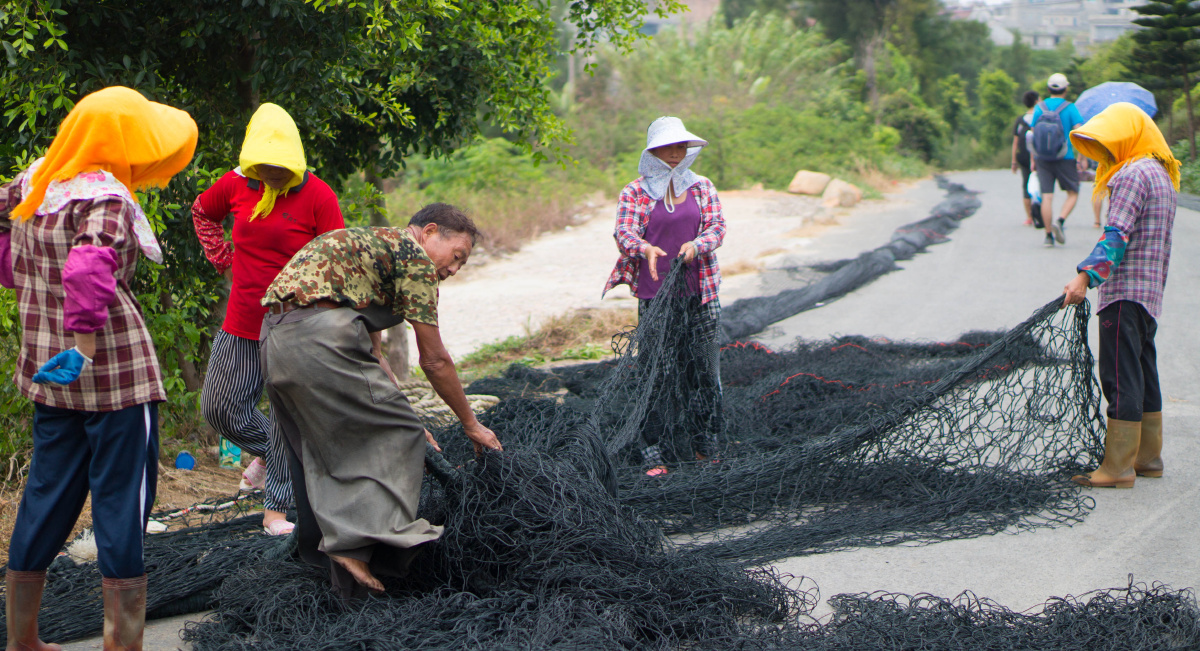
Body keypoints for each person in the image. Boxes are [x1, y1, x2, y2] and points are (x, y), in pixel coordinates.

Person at [0, 87, 197, 650]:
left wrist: (22, 275)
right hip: (116, 378)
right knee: (121, 503)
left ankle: (22, 641)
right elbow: (89, 267)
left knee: (44, 495)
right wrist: (84, 347)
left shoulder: (37, 183)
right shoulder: (104, 198)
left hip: (48, 374)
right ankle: (121, 645)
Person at [259, 203, 502, 599]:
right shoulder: (414, 258)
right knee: (403, 435)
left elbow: (372, 356)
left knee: (316, 453)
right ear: (428, 232)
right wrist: (470, 423)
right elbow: (435, 360)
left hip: (275, 340)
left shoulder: (372, 249)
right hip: (322, 339)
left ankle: (337, 578)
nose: (454, 270)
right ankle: (357, 547)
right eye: (456, 256)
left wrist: (394, 405)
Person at [192, 103, 344, 536]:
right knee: (219, 409)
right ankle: (280, 457)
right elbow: (203, 212)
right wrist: (222, 259)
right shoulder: (237, 184)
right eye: (264, 165)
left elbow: (337, 260)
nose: (272, 173)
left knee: (284, 416)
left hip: (294, 326)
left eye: (281, 166)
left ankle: (277, 509)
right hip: (241, 317)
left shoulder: (318, 196)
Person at [1060, 102, 1178, 489]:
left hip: (1124, 293)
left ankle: (1117, 467)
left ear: (1126, 138)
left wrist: (1084, 277)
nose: (1106, 156)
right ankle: (1148, 458)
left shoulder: (1131, 175)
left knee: (1119, 375)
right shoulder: (1161, 172)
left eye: (1109, 146)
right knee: (1143, 371)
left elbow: (1116, 236)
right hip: (1149, 295)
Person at [603, 116, 726, 477]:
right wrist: (644, 249)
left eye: (680, 147)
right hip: (654, 295)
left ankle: (706, 443)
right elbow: (623, 232)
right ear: (653, 150)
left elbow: (717, 228)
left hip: (700, 292)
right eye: (668, 147)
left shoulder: (702, 187)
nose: (675, 153)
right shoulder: (635, 192)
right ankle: (652, 450)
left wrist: (696, 245)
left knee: (703, 369)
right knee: (656, 371)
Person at [1031, 73, 1086, 246]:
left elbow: (1033, 135)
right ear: (1066, 89)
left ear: (1048, 89)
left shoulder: (1040, 107)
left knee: (1047, 197)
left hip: (1043, 158)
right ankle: (1060, 221)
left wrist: (1034, 158)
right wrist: (1082, 157)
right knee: (1073, 192)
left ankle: (1048, 236)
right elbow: (1080, 133)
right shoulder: (1070, 108)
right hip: (1065, 156)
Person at [1011, 90, 1040, 226]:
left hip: (1022, 156)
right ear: (1036, 101)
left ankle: (1029, 217)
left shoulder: (1020, 119)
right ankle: (1041, 214)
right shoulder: (1041, 117)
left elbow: (1015, 142)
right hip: (1039, 156)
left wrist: (1013, 161)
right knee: (1042, 185)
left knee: (1026, 185)